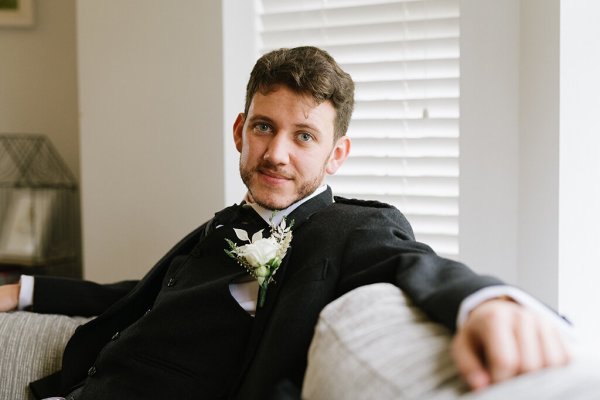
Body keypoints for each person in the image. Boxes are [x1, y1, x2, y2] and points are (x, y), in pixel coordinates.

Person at [0, 46, 571, 400]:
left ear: (336, 154)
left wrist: (489, 303)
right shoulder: (224, 223)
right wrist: (23, 290)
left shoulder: (344, 229)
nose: (276, 153)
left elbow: (412, 262)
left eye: (304, 137)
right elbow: (140, 295)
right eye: (264, 128)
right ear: (239, 132)